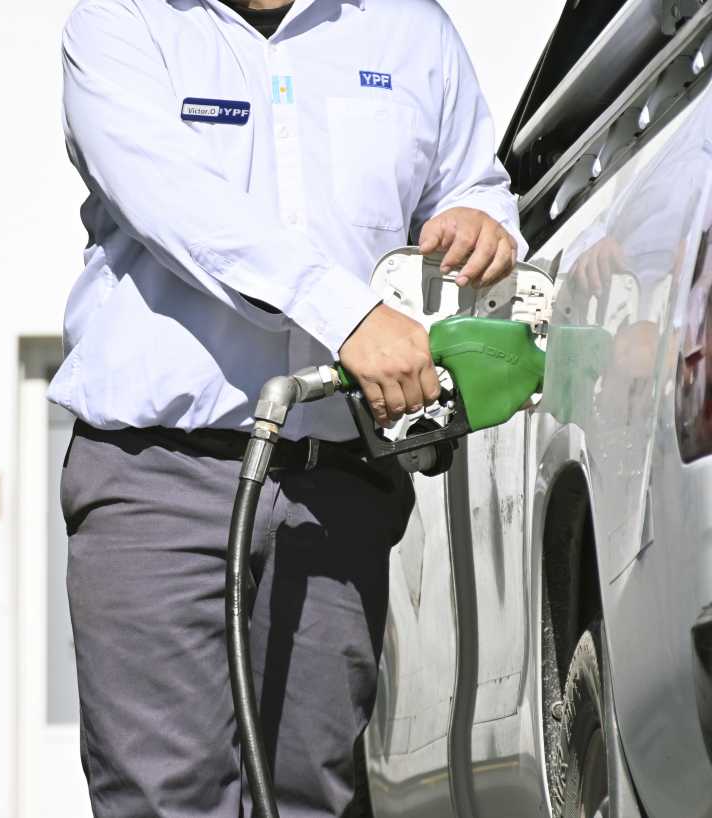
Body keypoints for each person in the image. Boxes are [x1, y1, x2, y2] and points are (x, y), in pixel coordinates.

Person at [49, 1, 524, 815]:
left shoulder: (410, 28)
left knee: (314, 793)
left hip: (338, 481)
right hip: (158, 478)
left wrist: (482, 223)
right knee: (165, 795)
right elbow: (176, 201)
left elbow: (471, 183)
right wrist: (349, 317)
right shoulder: (122, 21)